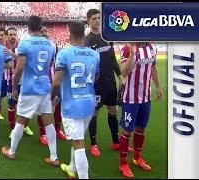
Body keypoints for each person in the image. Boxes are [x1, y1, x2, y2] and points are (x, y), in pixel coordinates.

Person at [2, 15, 59, 167]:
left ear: (28, 27)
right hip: (45, 86)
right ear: (41, 28)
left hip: (29, 88)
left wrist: (14, 87)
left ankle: (12, 151)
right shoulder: (51, 45)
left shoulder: (25, 44)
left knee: (21, 119)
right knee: (48, 121)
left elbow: (19, 67)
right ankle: (54, 156)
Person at [52, 21, 100, 179]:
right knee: (78, 139)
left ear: (69, 34)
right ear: (84, 34)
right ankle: (72, 169)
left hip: (72, 106)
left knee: (78, 144)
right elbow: (96, 76)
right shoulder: (94, 54)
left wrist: (52, 98)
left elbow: (57, 81)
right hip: (88, 103)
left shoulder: (64, 54)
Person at [84, 9, 129, 157]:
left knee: (113, 111)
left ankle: (116, 141)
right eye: (94, 19)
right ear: (88, 22)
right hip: (96, 84)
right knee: (94, 113)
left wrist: (120, 76)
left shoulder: (107, 37)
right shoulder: (88, 41)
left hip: (110, 82)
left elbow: (112, 59)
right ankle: (94, 144)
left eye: (98, 18)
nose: (97, 21)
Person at [118, 42, 162, 178]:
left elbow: (153, 68)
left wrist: (158, 86)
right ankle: (123, 163)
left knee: (141, 128)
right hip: (130, 99)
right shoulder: (127, 48)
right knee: (127, 130)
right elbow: (124, 73)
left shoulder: (152, 48)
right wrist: (132, 55)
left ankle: (137, 158)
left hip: (145, 97)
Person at [37, 26, 66, 145]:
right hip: (41, 82)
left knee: (58, 106)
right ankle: (43, 133)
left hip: (54, 81)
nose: (44, 33)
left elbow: (59, 62)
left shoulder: (54, 46)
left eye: (45, 31)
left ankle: (58, 130)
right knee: (43, 109)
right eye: (41, 31)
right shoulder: (35, 47)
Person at [4, 26, 34, 138]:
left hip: (24, 82)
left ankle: (25, 126)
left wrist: (13, 55)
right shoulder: (4, 49)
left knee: (27, 106)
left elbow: (27, 63)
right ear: (7, 36)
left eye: (14, 34)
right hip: (10, 82)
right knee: (12, 105)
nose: (12, 37)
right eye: (10, 34)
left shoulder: (21, 49)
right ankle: (13, 129)